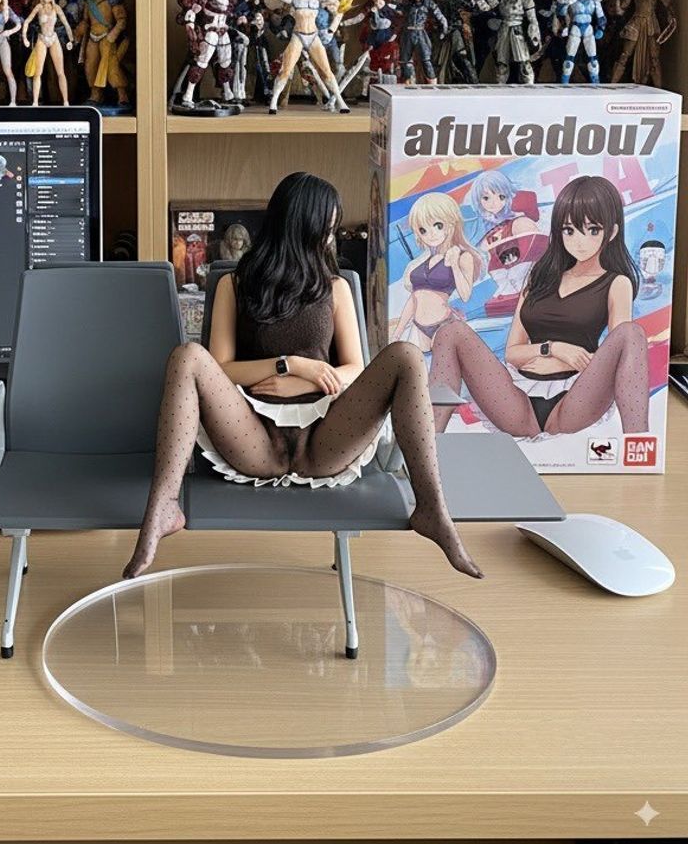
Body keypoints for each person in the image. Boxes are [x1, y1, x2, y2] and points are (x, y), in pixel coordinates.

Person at [124, 172, 483, 581]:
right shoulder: (234, 285)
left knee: (407, 356)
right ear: (299, 225)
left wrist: (312, 377)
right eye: (326, 228)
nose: (331, 238)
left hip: (323, 440)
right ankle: (164, 505)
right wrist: (289, 365)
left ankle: (432, 508)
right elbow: (221, 369)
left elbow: (355, 369)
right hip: (255, 440)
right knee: (187, 356)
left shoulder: (335, 288)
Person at [429, 176, 650, 441]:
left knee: (631, 332)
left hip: (574, 399)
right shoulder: (537, 278)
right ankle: (428, 445)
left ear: (611, 232)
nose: (579, 241)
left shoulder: (616, 283)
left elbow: (616, 354)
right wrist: (553, 349)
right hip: (519, 401)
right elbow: (513, 353)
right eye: (569, 230)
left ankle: (639, 446)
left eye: (592, 230)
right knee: (450, 332)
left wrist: (570, 358)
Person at [390, 192, 482, 351]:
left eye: (438, 226)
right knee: (412, 364)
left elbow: (465, 295)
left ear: (451, 224)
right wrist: (397, 332)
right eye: (423, 230)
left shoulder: (462, 256)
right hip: (418, 327)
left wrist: (454, 264)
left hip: (444, 324)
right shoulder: (421, 262)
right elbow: (414, 298)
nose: (431, 234)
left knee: (442, 364)